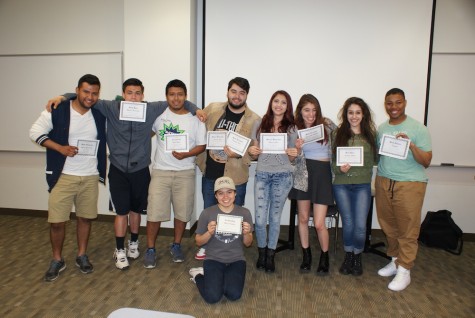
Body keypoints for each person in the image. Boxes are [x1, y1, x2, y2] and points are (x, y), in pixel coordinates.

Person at [45, 79, 204, 270]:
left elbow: (178, 101)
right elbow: (87, 97)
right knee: (122, 211)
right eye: (129, 93)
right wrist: (63, 96)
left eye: (138, 93)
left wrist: (196, 109)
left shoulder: (151, 109)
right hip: (118, 168)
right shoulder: (111, 107)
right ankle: (120, 249)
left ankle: (134, 243)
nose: (134, 97)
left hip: (141, 169)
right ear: (123, 93)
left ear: (143, 95)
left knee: (137, 210)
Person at [30, 74, 106, 282]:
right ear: (77, 90)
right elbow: (34, 132)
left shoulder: (99, 113)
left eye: (94, 93)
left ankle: (81, 255)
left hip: (89, 175)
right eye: (86, 91)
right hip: (63, 176)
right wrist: (60, 148)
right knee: (56, 221)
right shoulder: (58, 109)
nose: (90, 97)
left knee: (85, 218)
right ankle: (57, 259)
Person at [194, 77, 261, 260]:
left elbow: (255, 153)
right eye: (234, 91)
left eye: (242, 93)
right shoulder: (213, 108)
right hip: (211, 173)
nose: (237, 96)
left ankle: (231, 248)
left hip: (236, 176)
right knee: (209, 212)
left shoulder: (255, 119)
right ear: (228, 92)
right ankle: (207, 246)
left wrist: (239, 154)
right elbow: (197, 124)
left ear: (247, 95)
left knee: (235, 215)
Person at [143, 80, 206, 268]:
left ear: (185, 96)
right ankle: (150, 249)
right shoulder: (158, 115)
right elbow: (147, 133)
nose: (176, 98)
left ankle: (176, 245)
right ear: (166, 96)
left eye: (179, 94)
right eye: (172, 94)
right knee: (154, 213)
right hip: (160, 172)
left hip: (185, 172)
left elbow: (202, 145)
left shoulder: (196, 119)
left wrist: (187, 154)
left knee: (182, 212)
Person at [375, 88, 432, 291]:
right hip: (384, 181)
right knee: (388, 225)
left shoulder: (418, 128)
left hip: (410, 183)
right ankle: (395, 259)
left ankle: (405, 270)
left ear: (405, 103)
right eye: (389, 103)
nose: (394, 107)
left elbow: (426, 161)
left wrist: (411, 146)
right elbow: (377, 156)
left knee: (408, 228)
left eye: (398, 102)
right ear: (385, 105)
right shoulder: (381, 128)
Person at [247, 90, 298, 273]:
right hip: (262, 174)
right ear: (271, 103)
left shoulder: (292, 128)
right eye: (276, 101)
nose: (279, 105)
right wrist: (253, 152)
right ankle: (261, 253)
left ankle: (270, 255)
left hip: (283, 176)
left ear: (287, 106)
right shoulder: (259, 124)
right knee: (260, 220)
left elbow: (292, 158)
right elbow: (254, 150)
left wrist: (294, 154)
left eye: (283, 102)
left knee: (274, 218)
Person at [288, 94, 336, 275]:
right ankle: (306, 255)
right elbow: (291, 158)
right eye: (307, 110)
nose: (311, 114)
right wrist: (297, 148)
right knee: (302, 218)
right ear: (300, 110)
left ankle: (324, 256)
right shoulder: (293, 129)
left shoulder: (328, 125)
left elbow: (343, 141)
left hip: (322, 175)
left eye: (314, 110)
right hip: (303, 174)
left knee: (319, 223)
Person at [331, 97, 378, 276]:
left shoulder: (371, 135)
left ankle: (358, 256)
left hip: (362, 186)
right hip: (341, 185)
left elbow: (376, 160)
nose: (354, 116)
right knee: (348, 224)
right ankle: (349, 255)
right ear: (346, 114)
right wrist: (340, 168)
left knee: (360, 226)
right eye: (350, 112)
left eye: (358, 112)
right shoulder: (337, 134)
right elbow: (333, 164)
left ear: (363, 114)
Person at [189, 177, 253, 304]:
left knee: (233, 295)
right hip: (213, 259)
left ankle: (218, 279)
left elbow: (248, 243)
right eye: (220, 193)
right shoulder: (207, 213)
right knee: (212, 297)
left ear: (235, 193)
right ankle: (198, 275)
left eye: (229, 192)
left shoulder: (244, 213)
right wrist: (209, 233)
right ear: (216, 196)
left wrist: (246, 233)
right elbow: (198, 242)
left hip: (236, 259)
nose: (225, 197)